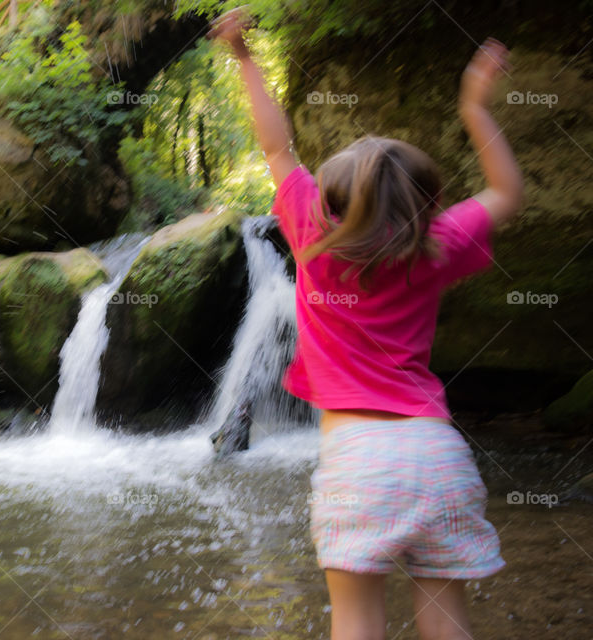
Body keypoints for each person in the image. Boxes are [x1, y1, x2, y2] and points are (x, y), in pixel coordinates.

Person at [209, 9, 522, 640]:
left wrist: (243, 57)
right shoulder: (436, 243)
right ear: (429, 203)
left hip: (357, 461)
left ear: (327, 202)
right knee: (446, 622)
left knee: (356, 623)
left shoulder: (308, 232)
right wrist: (473, 109)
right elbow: (506, 194)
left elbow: (276, 144)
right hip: (437, 453)